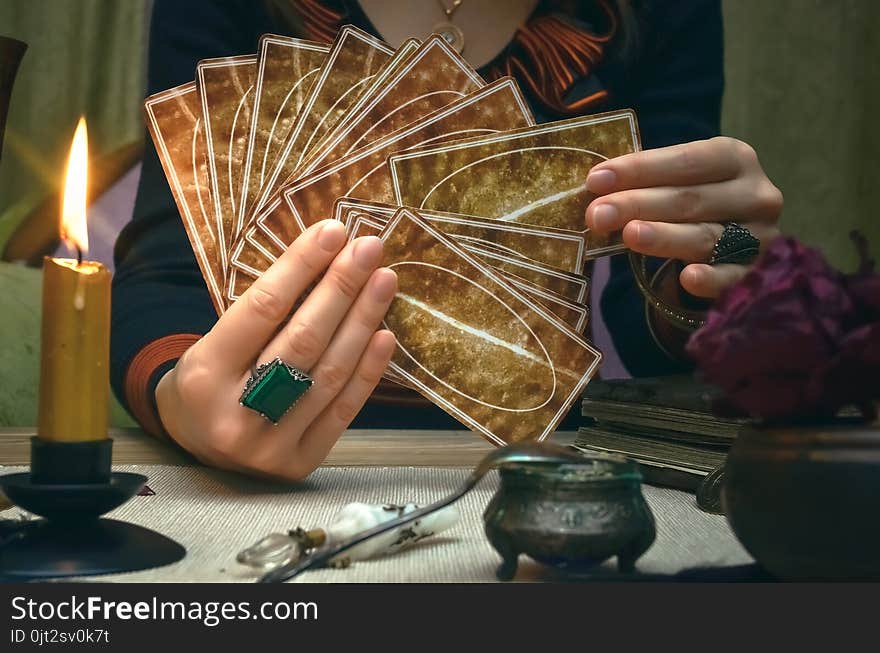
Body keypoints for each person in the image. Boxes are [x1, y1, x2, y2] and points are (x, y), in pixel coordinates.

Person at [111, 0, 782, 479]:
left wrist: (721, 274)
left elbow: (651, 318)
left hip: (535, 474)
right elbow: (167, 271)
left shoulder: (661, 12)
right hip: (259, 469)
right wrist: (181, 394)